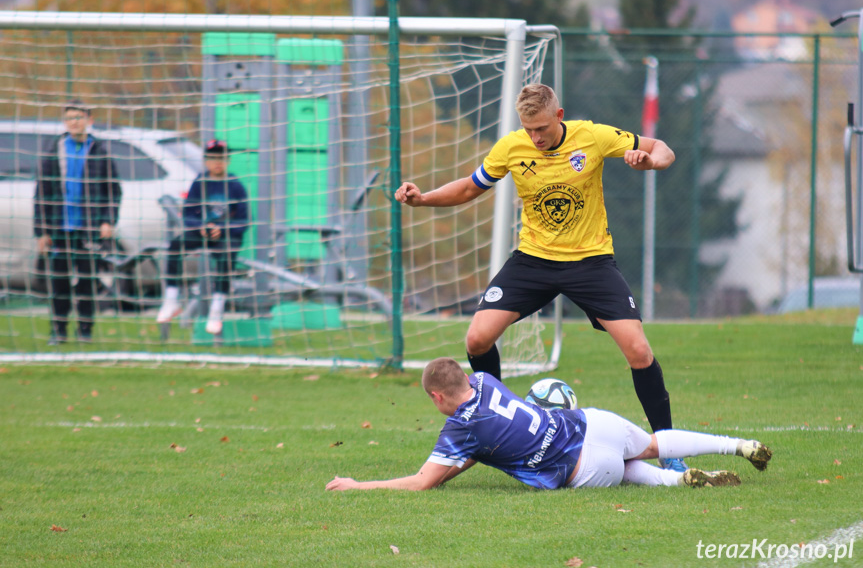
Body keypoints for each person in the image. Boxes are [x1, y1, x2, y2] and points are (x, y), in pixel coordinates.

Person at [394, 83, 685, 470]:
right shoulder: (512, 147)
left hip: (591, 262)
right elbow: (469, 187)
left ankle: (669, 451)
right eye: (529, 130)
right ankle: (491, 425)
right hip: (533, 261)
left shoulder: (593, 136)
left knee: (638, 350)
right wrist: (423, 198)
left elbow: (662, 148)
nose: (536, 137)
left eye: (542, 129)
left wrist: (649, 162)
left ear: (559, 116)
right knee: (477, 338)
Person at [326, 358, 772, 492]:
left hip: (581, 468)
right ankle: (736, 444)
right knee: (651, 445)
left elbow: (423, 483)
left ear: (436, 397)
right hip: (592, 422)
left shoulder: (459, 430)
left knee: (625, 472)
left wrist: (355, 485)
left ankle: (680, 485)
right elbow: (488, 444)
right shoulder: (484, 379)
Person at [34, 101, 122, 345]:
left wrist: (108, 220)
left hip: (88, 229)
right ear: (65, 122)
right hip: (59, 229)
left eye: (79, 117)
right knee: (59, 283)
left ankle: (85, 332)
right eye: (70, 117)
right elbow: (41, 191)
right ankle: (58, 332)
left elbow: (113, 190)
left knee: (87, 282)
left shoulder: (100, 151)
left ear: (89, 121)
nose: (74, 121)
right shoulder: (54, 150)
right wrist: (42, 231)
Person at [156, 139, 249, 335]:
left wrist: (222, 229)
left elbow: (244, 220)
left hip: (226, 236)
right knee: (175, 246)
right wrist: (201, 227)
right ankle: (171, 299)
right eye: (213, 158)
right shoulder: (200, 182)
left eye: (222, 158)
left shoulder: (235, 186)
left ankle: (217, 310)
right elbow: (188, 214)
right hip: (203, 232)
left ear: (228, 160)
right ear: (206, 160)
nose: (218, 162)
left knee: (226, 256)